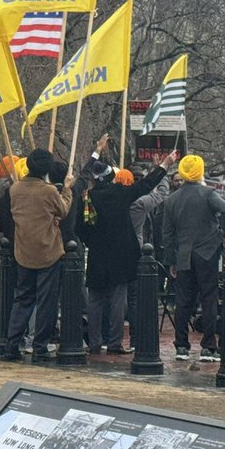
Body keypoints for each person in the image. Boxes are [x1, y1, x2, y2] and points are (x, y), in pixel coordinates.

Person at [81, 149, 169, 355]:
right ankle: (115, 341)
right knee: (118, 300)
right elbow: (147, 186)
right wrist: (163, 167)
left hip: (97, 253)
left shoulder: (90, 197)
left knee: (94, 299)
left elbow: (82, 224)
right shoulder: (121, 195)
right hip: (121, 254)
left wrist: (90, 240)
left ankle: (94, 342)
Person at [159, 154, 225, 361]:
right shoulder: (208, 194)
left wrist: (171, 260)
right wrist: (223, 234)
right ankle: (208, 346)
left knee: (183, 301)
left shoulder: (172, 200)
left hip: (183, 254)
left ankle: (181, 346)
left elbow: (167, 234)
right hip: (207, 252)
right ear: (200, 171)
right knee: (208, 298)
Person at [4, 148, 73, 361]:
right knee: (46, 302)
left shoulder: (15, 189)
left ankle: (12, 344)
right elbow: (63, 210)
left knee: (22, 299)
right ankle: (40, 346)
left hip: (23, 251)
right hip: (47, 252)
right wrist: (68, 189)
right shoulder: (49, 191)